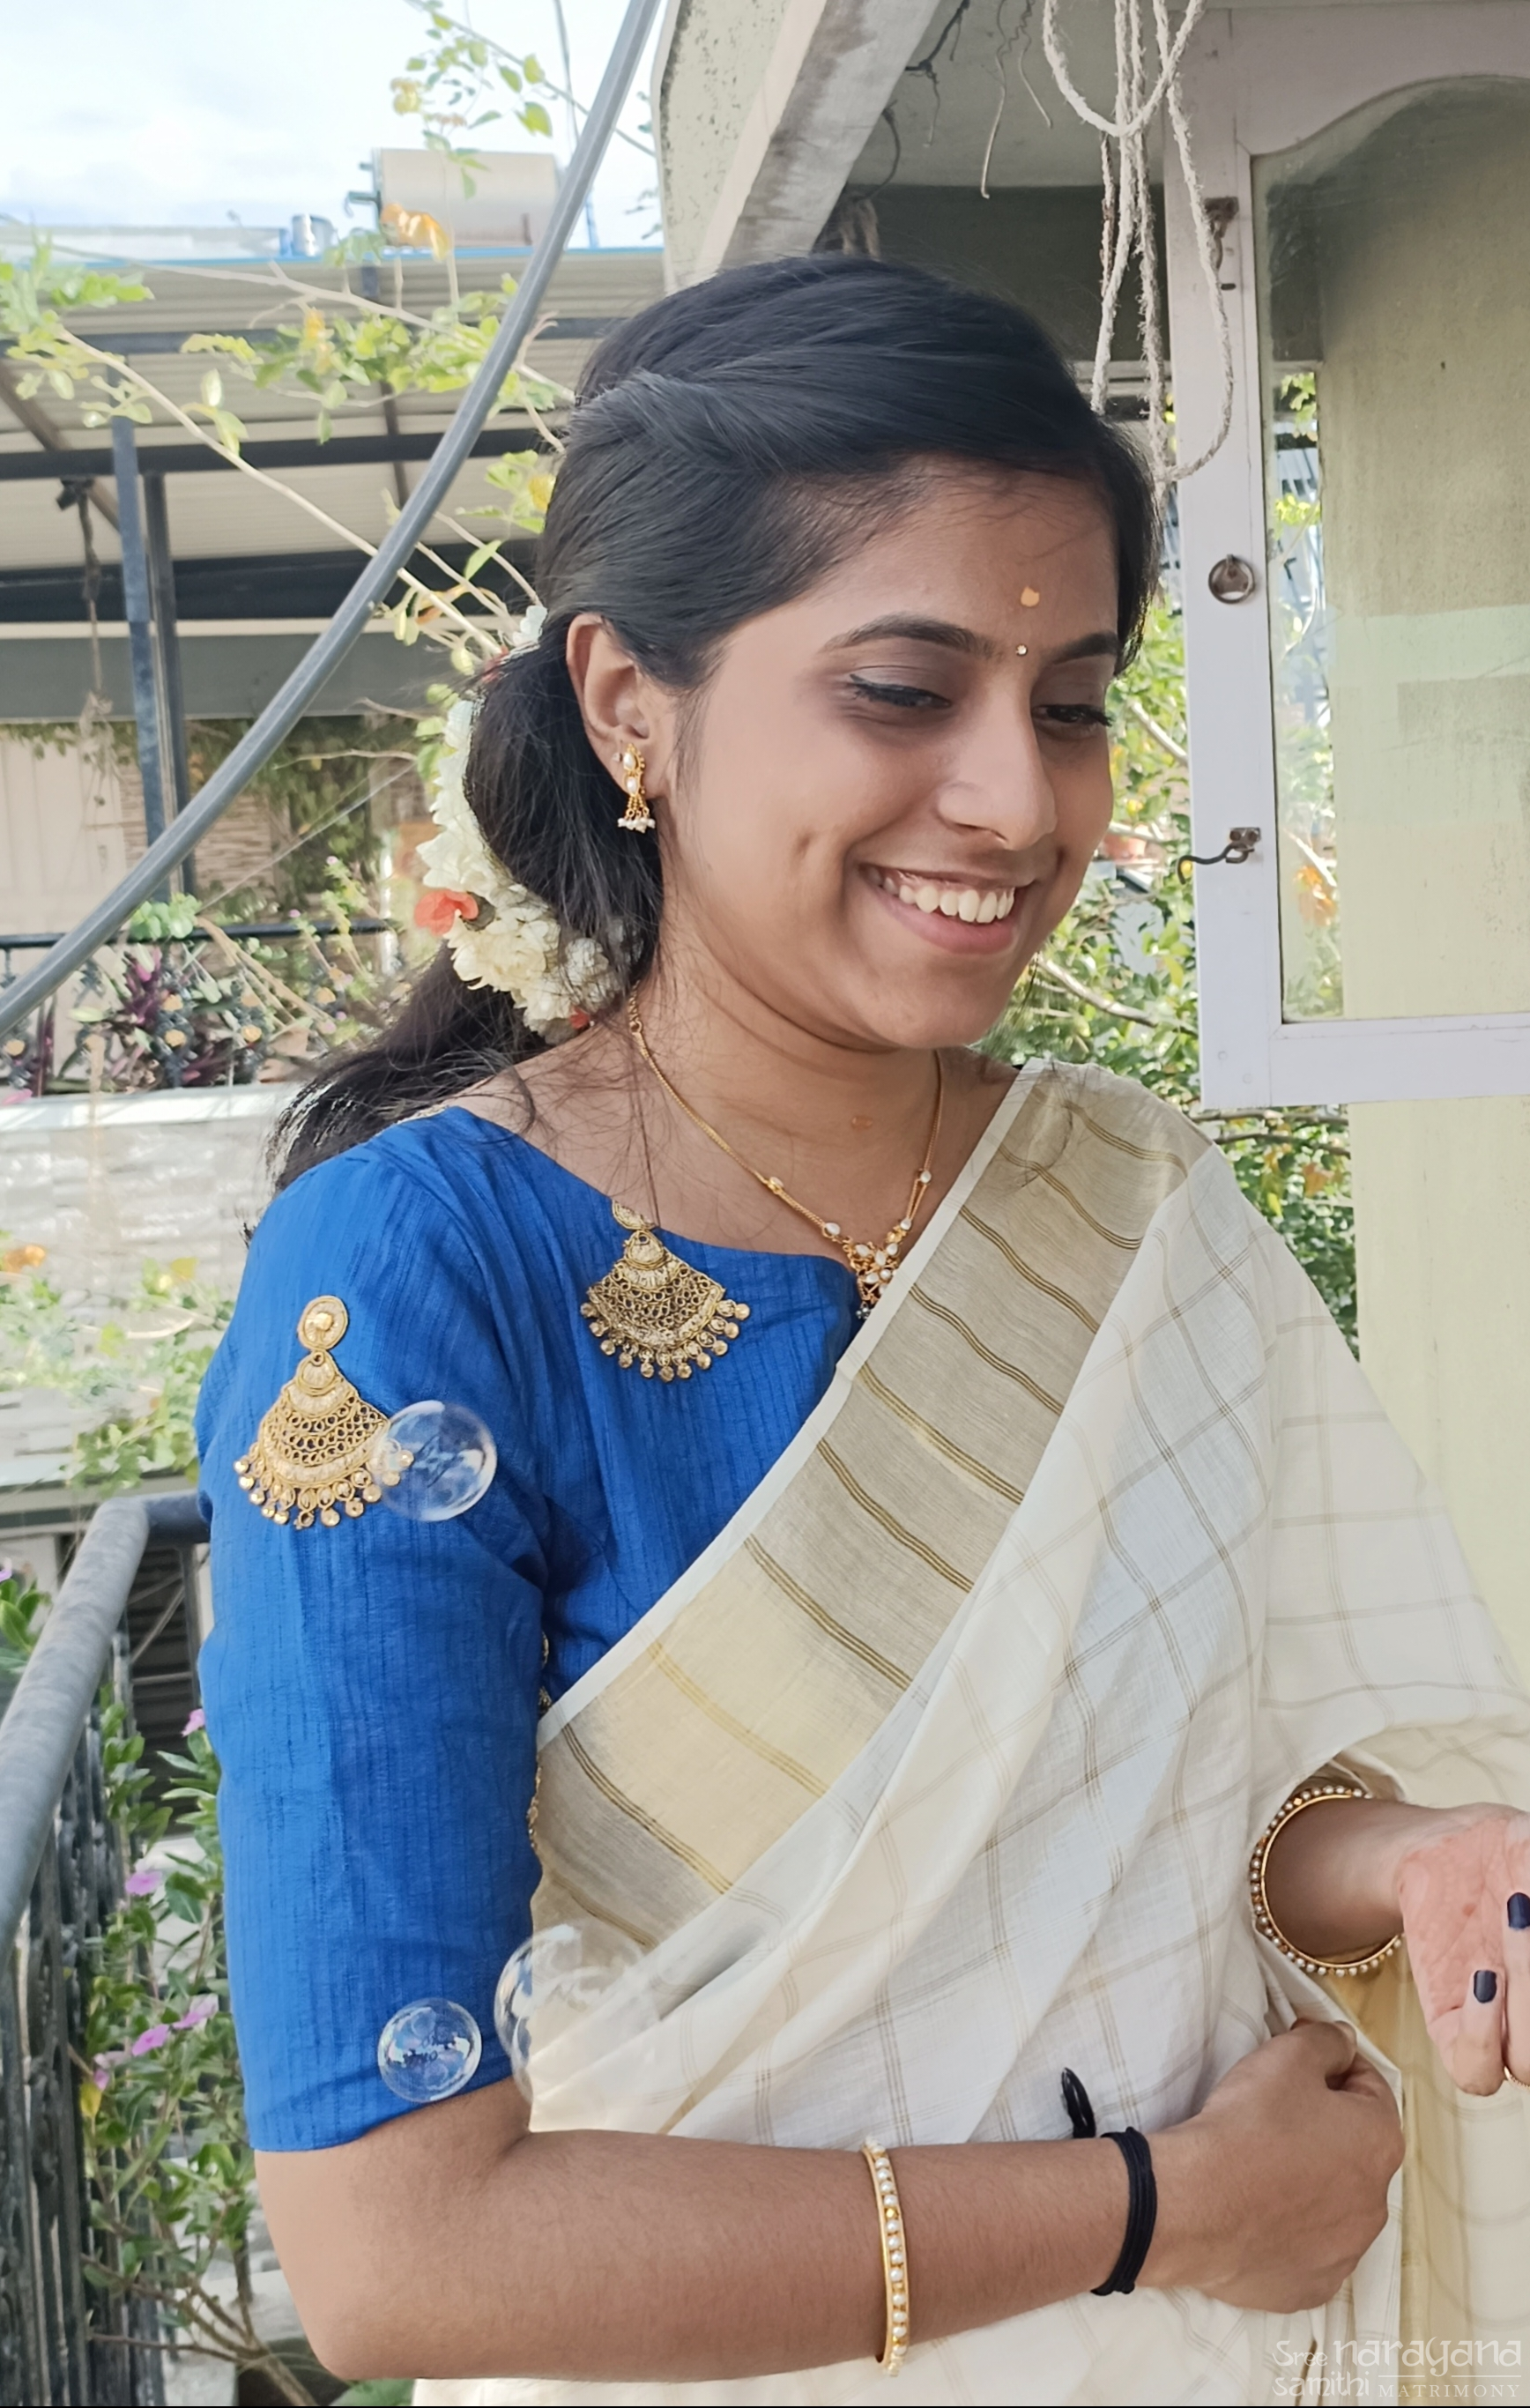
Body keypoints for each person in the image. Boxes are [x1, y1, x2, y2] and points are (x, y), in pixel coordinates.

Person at [197, 256, 1530, 2407]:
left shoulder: (1129, 1202)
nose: (1019, 801)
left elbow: (1233, 1807)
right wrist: (1157, 2208)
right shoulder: (418, 1278)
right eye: (904, 691)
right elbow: (400, 2251)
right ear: (628, 704)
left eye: (1071, 702)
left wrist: (1421, 1859)